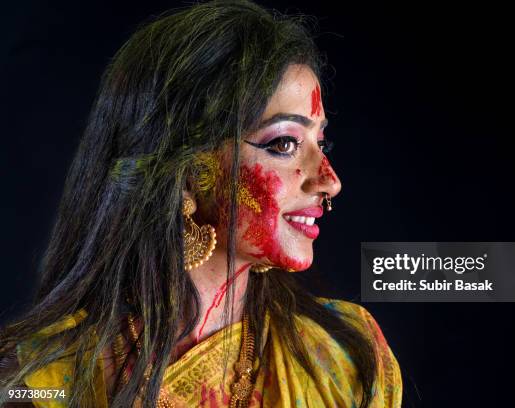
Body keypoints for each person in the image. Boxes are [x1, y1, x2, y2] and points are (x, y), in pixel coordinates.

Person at [0, 1, 402, 406]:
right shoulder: (38, 379)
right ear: (188, 171)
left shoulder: (345, 359)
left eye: (321, 142)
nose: (330, 182)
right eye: (284, 143)